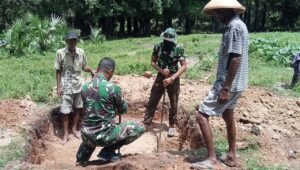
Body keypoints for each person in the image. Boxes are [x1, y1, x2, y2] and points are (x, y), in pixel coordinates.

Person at [192, 0, 249, 169]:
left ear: (226, 10)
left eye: (218, 12)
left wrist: (225, 87)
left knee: (201, 115)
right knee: (227, 115)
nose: (217, 16)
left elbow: (236, 58)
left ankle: (211, 159)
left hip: (229, 84)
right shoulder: (240, 25)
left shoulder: (234, 27)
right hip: (239, 83)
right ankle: (231, 155)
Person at [76, 57, 145, 166]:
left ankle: (81, 160)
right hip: (104, 136)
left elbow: (89, 109)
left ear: (98, 69)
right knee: (139, 127)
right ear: (109, 71)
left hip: (86, 135)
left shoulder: (84, 87)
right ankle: (107, 151)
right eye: (112, 73)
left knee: (91, 131)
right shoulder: (113, 88)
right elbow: (123, 109)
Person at [143, 28, 187, 137]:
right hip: (160, 76)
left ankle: (171, 126)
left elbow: (184, 66)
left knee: (174, 103)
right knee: (153, 98)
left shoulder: (178, 48)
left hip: (173, 77)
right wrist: (161, 70)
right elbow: (153, 62)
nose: (167, 43)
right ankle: (146, 122)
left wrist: (172, 78)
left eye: (169, 41)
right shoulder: (158, 47)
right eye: (166, 41)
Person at [54, 31, 95, 144]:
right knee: (65, 110)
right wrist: (59, 86)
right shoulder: (60, 53)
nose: (72, 42)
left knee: (78, 108)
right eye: (70, 40)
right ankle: (66, 134)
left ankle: (75, 129)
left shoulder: (81, 52)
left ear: (76, 41)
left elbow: (84, 66)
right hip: (66, 86)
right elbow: (58, 70)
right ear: (66, 41)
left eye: (74, 40)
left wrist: (91, 70)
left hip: (78, 85)